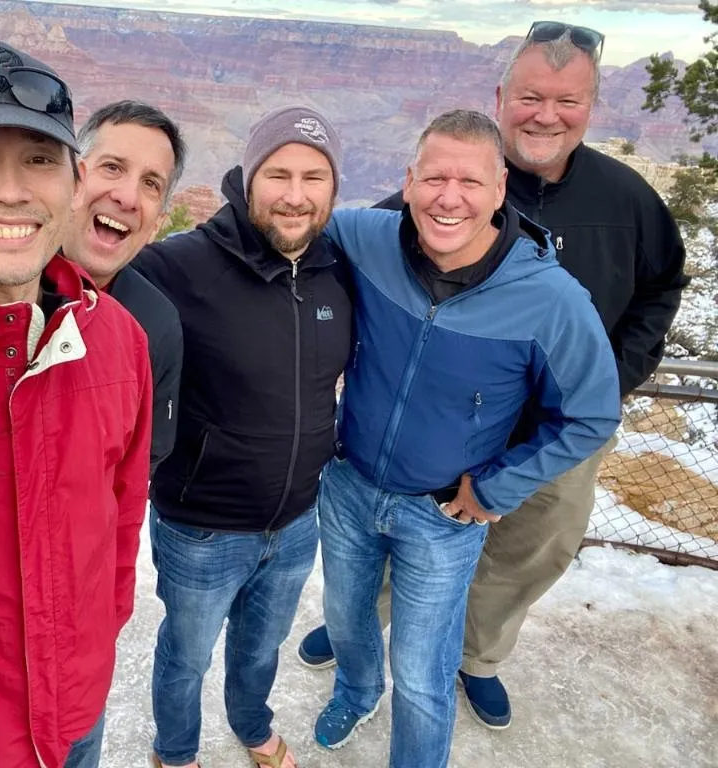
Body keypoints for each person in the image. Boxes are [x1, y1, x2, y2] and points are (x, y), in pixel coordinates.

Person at [298, 22, 687, 731]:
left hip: (553, 428)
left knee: (526, 549)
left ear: (592, 106)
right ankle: (362, 634)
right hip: (434, 422)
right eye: (532, 96)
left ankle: (476, 657)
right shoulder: (430, 198)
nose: (546, 114)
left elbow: (663, 286)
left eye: (567, 101)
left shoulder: (627, 199)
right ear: (502, 97)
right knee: (397, 544)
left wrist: (616, 370)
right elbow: (357, 252)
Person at [311, 110, 620, 766]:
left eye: (470, 182)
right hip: (348, 486)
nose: (449, 198)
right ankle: (357, 688)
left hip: (443, 516)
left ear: (501, 189)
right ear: (408, 182)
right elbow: (289, 220)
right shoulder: (367, 238)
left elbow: (593, 414)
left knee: (423, 672)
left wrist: (499, 485)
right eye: (435, 178)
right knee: (345, 620)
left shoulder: (550, 300)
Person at [0, 42, 153, 768]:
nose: (10, 190)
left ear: (75, 183)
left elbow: (122, 511)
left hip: (75, 716)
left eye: (40, 159)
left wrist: (97, 644)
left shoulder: (118, 340)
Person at [133, 105, 353, 768]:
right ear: (247, 178)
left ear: (334, 189)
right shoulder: (180, 266)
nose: (295, 194)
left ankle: (252, 724)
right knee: (187, 654)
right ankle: (175, 752)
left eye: (313, 177)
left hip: (295, 522)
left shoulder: (340, 267)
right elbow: (89, 278)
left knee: (262, 647)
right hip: (202, 526)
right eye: (278, 174)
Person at [64, 100, 186, 473]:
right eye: (112, 167)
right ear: (71, 181)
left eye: (150, 184)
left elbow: (144, 459)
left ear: (157, 225)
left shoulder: (156, 325)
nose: (128, 197)